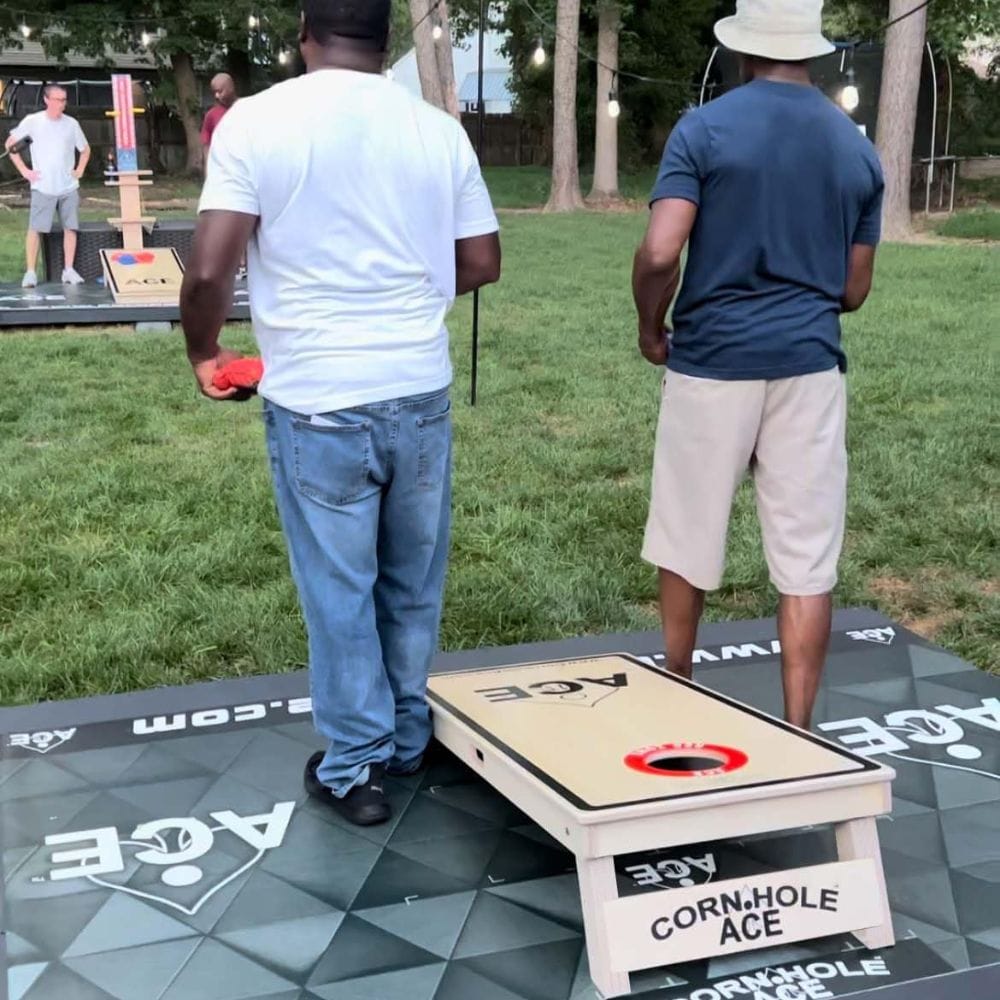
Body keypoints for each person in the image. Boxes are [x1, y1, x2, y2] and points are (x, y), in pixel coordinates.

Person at [179, 0, 501, 826]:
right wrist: (403, 293)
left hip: (318, 400)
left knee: (340, 590)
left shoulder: (256, 121)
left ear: (304, 34)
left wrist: (204, 353)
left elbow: (210, 268)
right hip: (418, 390)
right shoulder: (438, 130)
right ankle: (403, 736)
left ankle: (357, 764)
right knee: (409, 583)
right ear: (386, 41)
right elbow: (481, 260)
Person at [632, 0, 884, 730]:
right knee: (807, 556)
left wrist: (653, 326)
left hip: (712, 360)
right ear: (809, 50)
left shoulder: (704, 129)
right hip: (810, 364)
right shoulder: (855, 148)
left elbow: (658, 251)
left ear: (742, 50)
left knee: (688, 531)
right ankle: (800, 726)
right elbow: (853, 290)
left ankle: (678, 681)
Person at [5, 84, 91, 288]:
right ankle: (31, 272)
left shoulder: (72, 124)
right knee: (36, 228)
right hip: (43, 186)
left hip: (68, 186)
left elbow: (85, 150)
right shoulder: (33, 121)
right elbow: (10, 145)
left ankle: (68, 270)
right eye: (58, 99)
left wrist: (80, 169)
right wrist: (25, 171)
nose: (62, 104)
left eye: (64, 100)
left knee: (70, 228)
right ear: (47, 100)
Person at [200, 73, 237, 168]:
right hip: (222, 168)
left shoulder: (245, 109)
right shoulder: (211, 115)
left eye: (220, 91)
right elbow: (206, 146)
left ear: (231, 88)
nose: (216, 96)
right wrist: (208, 173)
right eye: (214, 92)